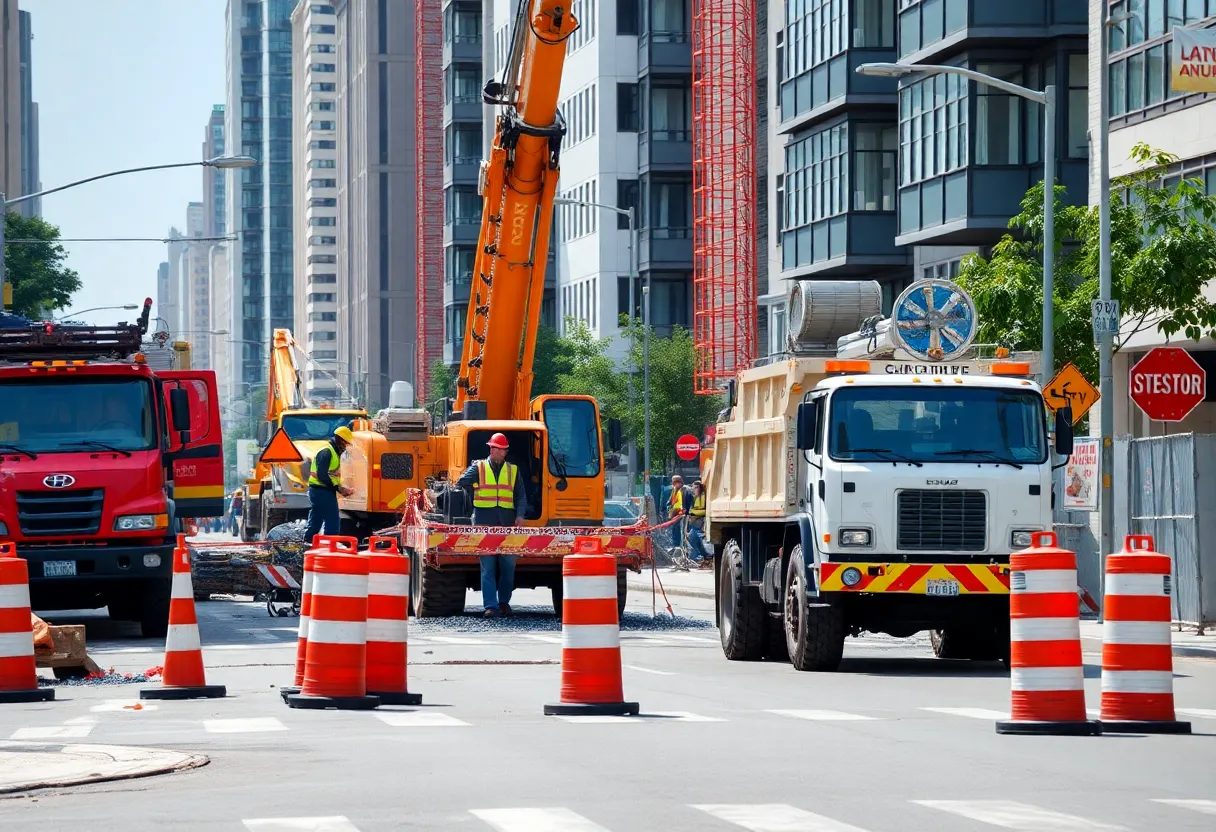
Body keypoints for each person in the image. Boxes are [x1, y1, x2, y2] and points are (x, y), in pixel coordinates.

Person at [455, 433, 528, 617]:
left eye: (501, 449)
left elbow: (520, 495)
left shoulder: (513, 470)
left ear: (505, 451)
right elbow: (461, 482)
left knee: (508, 565)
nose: (498, 452)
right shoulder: (478, 467)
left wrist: (520, 515)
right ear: (491, 449)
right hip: (483, 522)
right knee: (487, 567)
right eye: (495, 448)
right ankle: (490, 606)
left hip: (507, 524)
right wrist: (474, 488)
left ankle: (504, 602)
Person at [305, 425, 354, 542]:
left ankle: (307, 542)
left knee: (316, 519)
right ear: (340, 440)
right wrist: (339, 489)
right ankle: (330, 545)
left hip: (321, 491)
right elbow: (322, 475)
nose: (346, 446)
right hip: (321, 491)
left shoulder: (333, 452)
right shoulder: (327, 451)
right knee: (332, 520)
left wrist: (341, 487)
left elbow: (330, 474)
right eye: (346, 443)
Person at [667, 474, 693, 552]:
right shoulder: (675, 491)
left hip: (685, 516)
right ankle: (677, 548)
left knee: (685, 533)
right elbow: (670, 503)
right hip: (677, 517)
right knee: (676, 532)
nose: (673, 485)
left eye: (674, 483)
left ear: (678, 482)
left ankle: (685, 550)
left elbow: (690, 503)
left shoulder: (687, 490)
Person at [687, 480, 708, 562]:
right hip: (695, 522)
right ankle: (703, 555)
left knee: (693, 537)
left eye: (696, 487)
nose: (695, 489)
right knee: (694, 539)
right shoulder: (694, 497)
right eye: (694, 488)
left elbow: (704, 510)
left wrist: (692, 513)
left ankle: (696, 557)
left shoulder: (703, 497)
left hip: (700, 521)